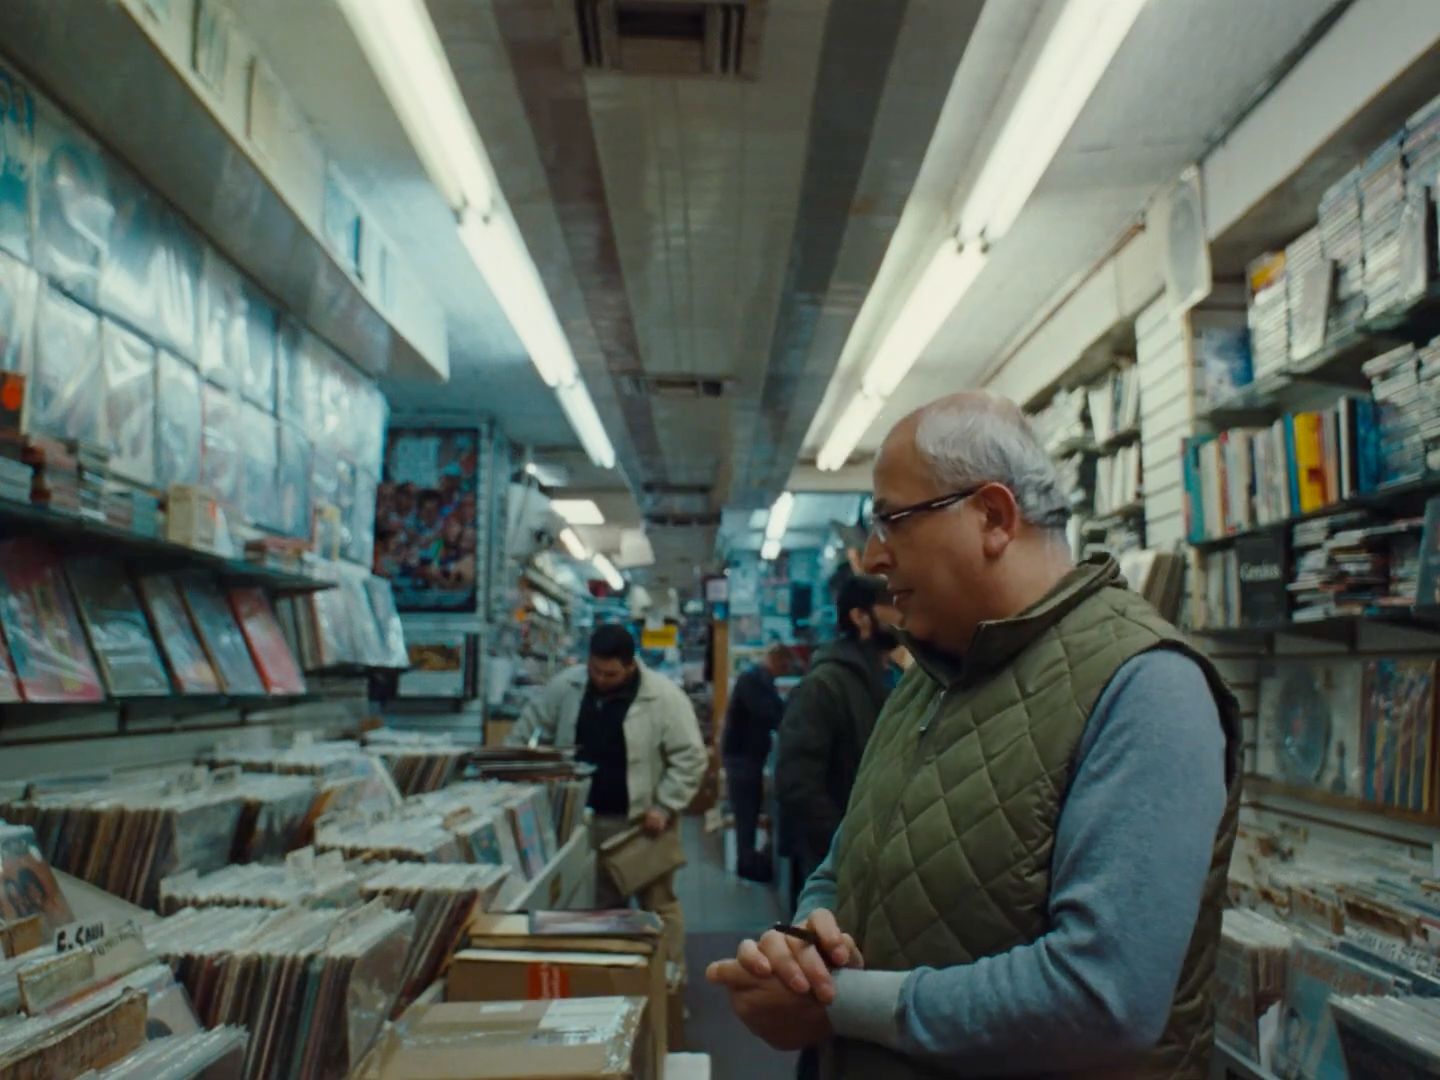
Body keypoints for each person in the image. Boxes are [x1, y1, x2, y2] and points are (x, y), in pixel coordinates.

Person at [708, 392, 1240, 1078]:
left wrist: (837, 1002)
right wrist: (811, 940)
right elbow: (848, 861)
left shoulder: (1148, 688)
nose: (872, 557)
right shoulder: (932, 672)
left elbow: (1104, 999)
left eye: (891, 521)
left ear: (992, 517)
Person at [507, 625, 706, 971]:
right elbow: (527, 727)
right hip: (585, 821)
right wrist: (512, 770)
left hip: (643, 826)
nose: (600, 678)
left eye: (610, 673)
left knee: (658, 906)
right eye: (594, 670)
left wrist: (665, 804)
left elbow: (691, 757)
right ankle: (616, 981)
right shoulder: (567, 686)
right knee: (601, 910)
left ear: (630, 666)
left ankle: (669, 981)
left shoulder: (663, 697)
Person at [775, 574, 898, 916]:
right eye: (890, 605)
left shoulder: (891, 678)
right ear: (861, 617)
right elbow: (796, 781)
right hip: (835, 867)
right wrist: (843, 843)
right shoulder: (826, 685)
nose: (901, 613)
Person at [722, 643, 794, 883]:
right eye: (785, 666)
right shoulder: (753, 680)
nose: (785, 671)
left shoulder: (757, 679)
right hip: (742, 757)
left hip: (746, 756)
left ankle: (748, 859)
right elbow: (769, 713)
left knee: (749, 810)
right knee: (746, 811)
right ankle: (746, 863)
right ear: (777, 661)